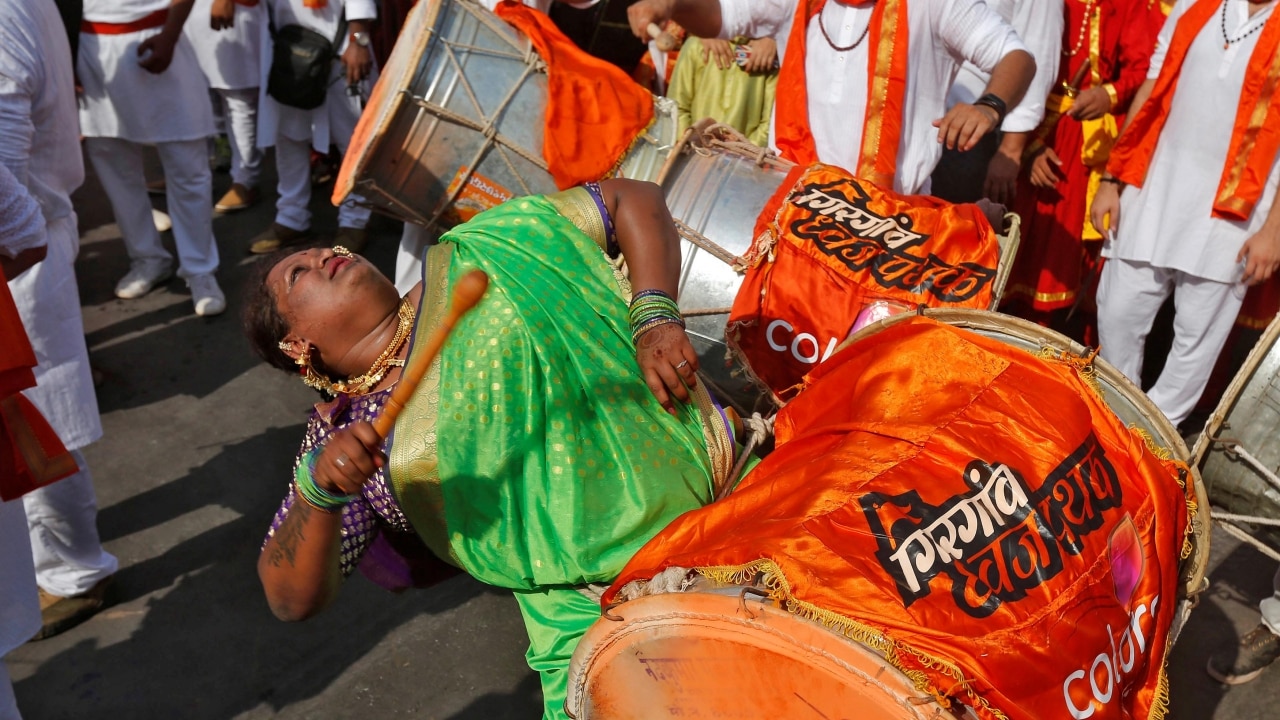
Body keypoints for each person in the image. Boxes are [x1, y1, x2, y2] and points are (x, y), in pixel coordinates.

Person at [246, 179, 736, 719]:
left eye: (326, 250)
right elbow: (289, 599)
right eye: (300, 273)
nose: (328, 256)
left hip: (728, 504)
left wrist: (654, 316)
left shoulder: (480, 249)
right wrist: (321, 491)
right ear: (297, 348)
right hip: (596, 615)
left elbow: (629, 199)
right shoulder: (339, 444)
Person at [1089, 0, 1280, 681]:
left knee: (1192, 356)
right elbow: (1149, 92)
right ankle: (1112, 449)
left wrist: (1276, 227)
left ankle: (1142, 481)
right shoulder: (1198, 10)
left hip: (1237, 215)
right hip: (1153, 193)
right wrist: (1113, 177)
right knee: (1117, 311)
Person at [626, 0, 1036, 195]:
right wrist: (671, 4)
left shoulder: (937, 4)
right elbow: (718, 17)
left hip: (889, 222)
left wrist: (990, 105)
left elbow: (1015, 57)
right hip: (791, 204)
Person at [1, 0, 120, 644]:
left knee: (36, 421)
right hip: (32, 232)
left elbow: (1, 176)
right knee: (38, 414)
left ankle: (74, 570)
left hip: (22, 247)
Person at [1001, 0, 1158, 337]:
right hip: (1028, 124)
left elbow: (1145, 68)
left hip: (1086, 141)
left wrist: (1109, 94)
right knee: (1015, 251)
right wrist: (1027, 144)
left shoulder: (1130, 5)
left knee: (1067, 258)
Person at [79, 0, 227, 316]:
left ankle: (200, 269)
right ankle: (147, 258)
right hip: (91, 52)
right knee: (116, 170)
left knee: (188, 168)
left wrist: (171, 35)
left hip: (158, 38)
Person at [249, 0, 378, 255]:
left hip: (339, 46)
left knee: (352, 139)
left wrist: (358, 41)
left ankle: (354, 222)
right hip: (286, 46)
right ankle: (291, 217)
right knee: (288, 135)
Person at [929, 0, 1062, 206]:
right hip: (917, 118)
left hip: (971, 132)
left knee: (947, 229)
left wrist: (1010, 150)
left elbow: (1038, 56)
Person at [186, 0, 266, 213]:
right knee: (198, 97)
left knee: (239, 98)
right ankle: (191, 174)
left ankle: (245, 181)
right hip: (189, 16)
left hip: (232, 10)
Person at [668, 34, 778, 146]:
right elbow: (676, 107)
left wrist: (745, 150)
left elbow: (771, 121)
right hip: (694, 154)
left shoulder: (767, 53)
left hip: (744, 157)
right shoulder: (696, 45)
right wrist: (689, 145)